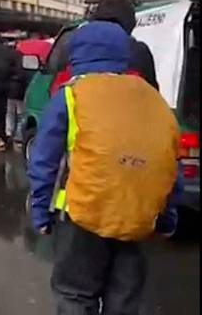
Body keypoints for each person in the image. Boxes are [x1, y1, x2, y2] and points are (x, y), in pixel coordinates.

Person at [28, 21, 181, 314]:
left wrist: (40, 213)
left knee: (75, 295)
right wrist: (166, 219)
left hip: (83, 216)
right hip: (137, 218)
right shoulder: (153, 100)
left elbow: (44, 160)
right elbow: (167, 164)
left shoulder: (72, 95)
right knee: (124, 301)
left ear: (76, 55)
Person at [51, 0, 159, 95]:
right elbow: (152, 95)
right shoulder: (138, 52)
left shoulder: (71, 45)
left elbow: (56, 91)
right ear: (130, 24)